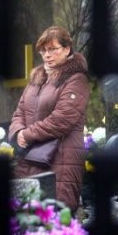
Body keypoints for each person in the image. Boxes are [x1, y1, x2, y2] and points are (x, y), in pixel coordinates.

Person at [9, 26, 91, 212]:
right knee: (24, 217)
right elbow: (19, 112)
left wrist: (27, 135)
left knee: (55, 217)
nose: (47, 55)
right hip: (29, 158)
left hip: (61, 159)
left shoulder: (76, 79)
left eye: (53, 49)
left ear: (67, 49)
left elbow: (62, 119)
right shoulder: (36, 79)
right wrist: (18, 133)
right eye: (43, 50)